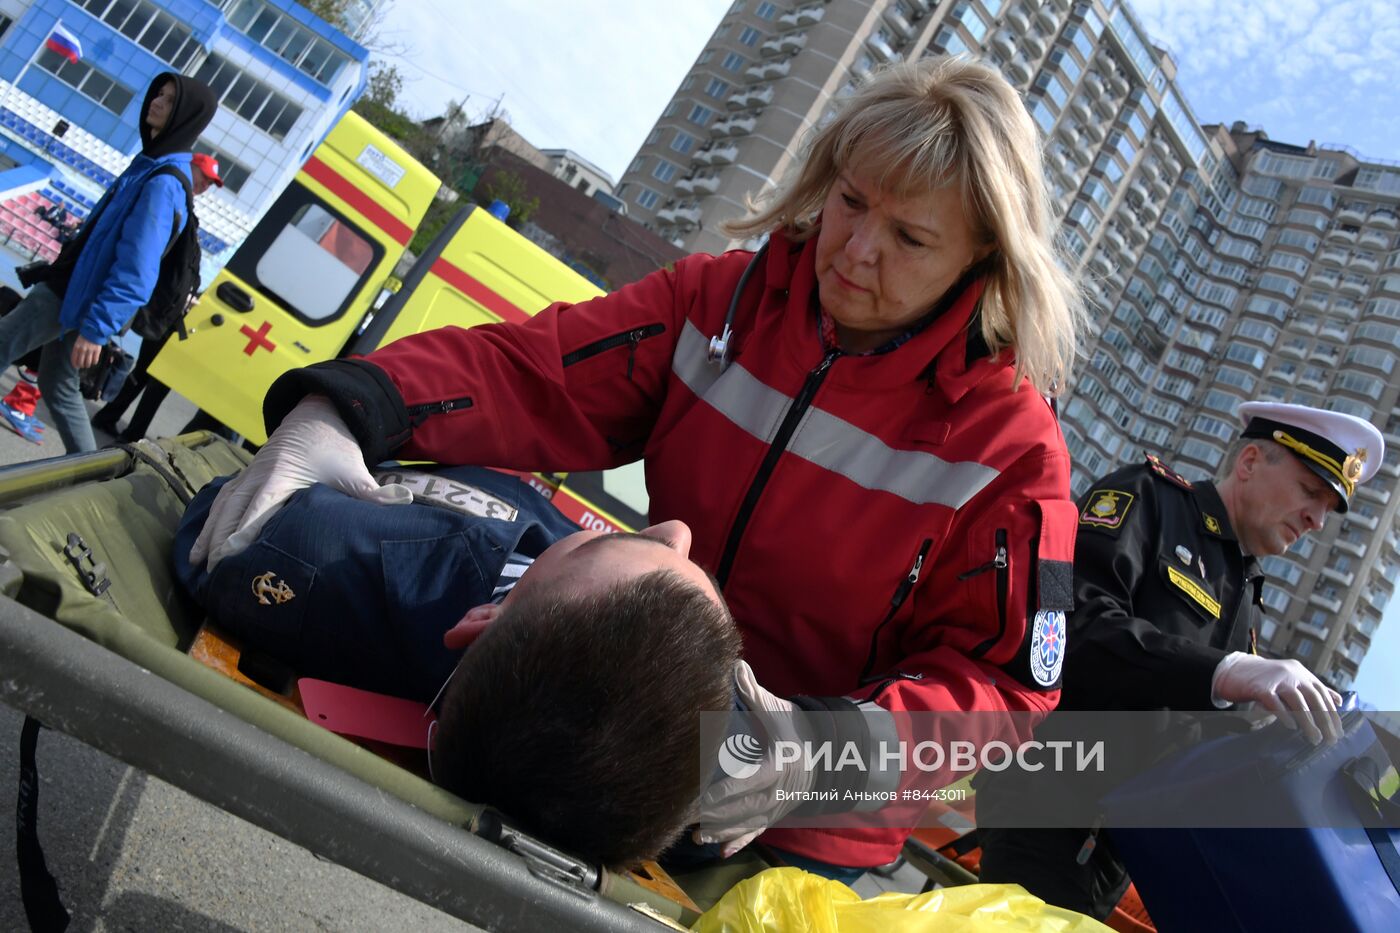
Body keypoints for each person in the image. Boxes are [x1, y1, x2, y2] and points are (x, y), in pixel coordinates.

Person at [188, 57, 1085, 874]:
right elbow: (536, 372)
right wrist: (352, 403)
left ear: (985, 259)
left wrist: (816, 756)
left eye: (910, 239)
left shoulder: (1012, 453)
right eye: (850, 201)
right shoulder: (721, 299)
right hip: (601, 689)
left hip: (779, 816)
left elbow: (1006, 694)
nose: (853, 252)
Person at [172, 464, 741, 869]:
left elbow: (222, 529)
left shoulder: (343, 559)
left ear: (483, 616)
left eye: (595, 546)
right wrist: (810, 763)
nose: (679, 530)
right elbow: (816, 772)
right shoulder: (707, 782)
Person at [977, 400, 1386, 919]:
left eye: (1329, 508)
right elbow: (1068, 630)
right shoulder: (1149, 498)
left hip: (1118, 847)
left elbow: (1189, 735)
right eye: (1311, 491)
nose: (1317, 519)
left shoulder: (1244, 591)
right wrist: (1226, 671)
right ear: (1251, 461)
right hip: (1048, 797)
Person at [0, 73, 216, 453]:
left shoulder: (163, 182)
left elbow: (138, 270)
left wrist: (98, 328)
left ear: (185, 116)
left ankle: (85, 478)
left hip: (72, 296)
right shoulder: (150, 165)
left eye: (169, 100)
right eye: (158, 94)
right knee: (59, 386)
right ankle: (87, 478)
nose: (157, 102)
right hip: (77, 291)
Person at [93, 152, 222, 443]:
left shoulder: (186, 209)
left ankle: (117, 420)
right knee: (155, 377)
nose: (205, 185)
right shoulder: (177, 203)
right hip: (164, 311)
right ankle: (125, 427)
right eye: (204, 178)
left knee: (150, 374)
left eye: (210, 183)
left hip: (170, 310)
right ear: (192, 168)